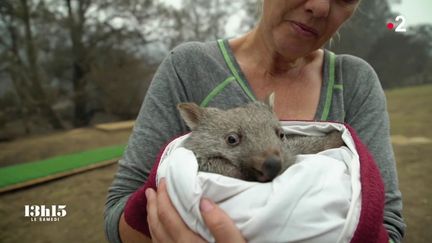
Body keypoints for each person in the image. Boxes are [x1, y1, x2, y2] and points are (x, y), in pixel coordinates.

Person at [105, 0, 406, 242]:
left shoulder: (355, 82)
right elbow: (118, 214)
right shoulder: (188, 68)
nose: (320, 6)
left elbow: (387, 228)